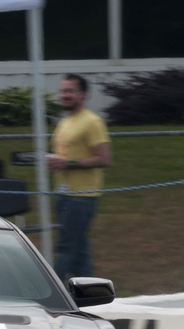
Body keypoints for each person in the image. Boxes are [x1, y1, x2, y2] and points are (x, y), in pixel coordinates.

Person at [46, 73, 112, 281]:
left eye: (70, 91)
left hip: (81, 197)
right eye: (62, 91)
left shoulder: (92, 122)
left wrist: (69, 163)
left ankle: (49, 295)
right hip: (63, 194)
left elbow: (104, 159)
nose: (64, 95)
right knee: (80, 250)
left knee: (66, 248)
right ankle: (92, 298)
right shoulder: (64, 122)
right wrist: (55, 162)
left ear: (83, 94)